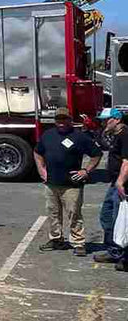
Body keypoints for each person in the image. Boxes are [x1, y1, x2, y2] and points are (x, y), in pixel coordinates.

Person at [35, 107, 103, 256]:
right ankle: (56, 239)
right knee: (53, 213)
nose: (61, 122)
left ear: (70, 120)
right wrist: (42, 170)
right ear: (55, 121)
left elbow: (96, 154)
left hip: (72, 185)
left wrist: (86, 171)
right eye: (58, 119)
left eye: (64, 119)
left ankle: (78, 242)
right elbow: (38, 152)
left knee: (74, 214)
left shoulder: (79, 137)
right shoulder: (47, 135)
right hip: (51, 183)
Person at [98, 108, 128, 267]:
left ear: (117, 119)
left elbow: (127, 161)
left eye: (106, 120)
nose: (103, 123)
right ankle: (114, 251)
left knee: (121, 220)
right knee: (107, 216)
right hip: (114, 183)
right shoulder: (115, 135)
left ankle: (123, 256)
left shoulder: (125, 135)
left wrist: (121, 182)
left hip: (122, 184)